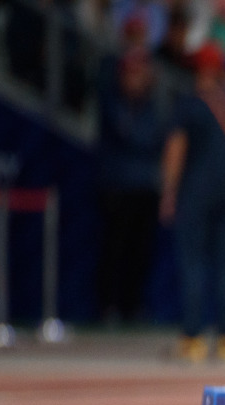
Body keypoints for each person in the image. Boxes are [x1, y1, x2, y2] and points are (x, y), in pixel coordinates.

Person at [160, 41, 225, 362]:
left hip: (194, 194)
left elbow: (176, 150)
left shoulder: (188, 105)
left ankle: (194, 337)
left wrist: (170, 192)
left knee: (193, 264)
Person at [96, 48, 166, 324]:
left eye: (141, 73)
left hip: (145, 187)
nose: (137, 79)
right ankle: (109, 306)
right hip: (117, 186)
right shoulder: (112, 100)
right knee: (114, 250)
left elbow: (156, 135)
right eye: (131, 73)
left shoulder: (152, 104)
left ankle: (133, 306)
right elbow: (132, 135)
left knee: (140, 253)